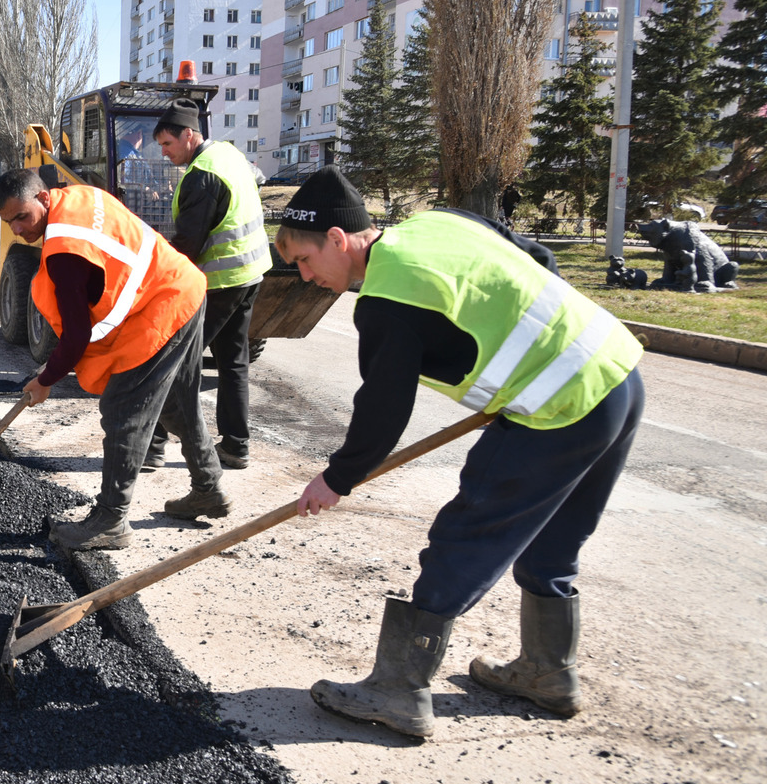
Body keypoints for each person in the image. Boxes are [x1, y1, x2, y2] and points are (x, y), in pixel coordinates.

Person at [275, 167, 645, 739]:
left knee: (467, 533)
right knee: (553, 538)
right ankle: (549, 673)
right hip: (616, 373)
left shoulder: (384, 300)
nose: (304, 277)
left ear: (338, 239)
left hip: (559, 406)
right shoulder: (439, 223)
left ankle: (399, 688)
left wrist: (338, 477)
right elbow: (536, 259)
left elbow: (383, 408)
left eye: (303, 260)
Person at [0, 167, 228, 551]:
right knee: (177, 403)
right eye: (8, 222)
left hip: (161, 306)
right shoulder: (79, 198)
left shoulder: (65, 253)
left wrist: (46, 379)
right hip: (182, 287)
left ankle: (110, 520)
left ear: (43, 197)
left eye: (22, 216)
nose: (18, 228)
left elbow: (76, 336)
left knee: (123, 411)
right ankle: (209, 488)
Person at [141, 99, 272, 486]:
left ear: (188, 135)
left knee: (173, 360)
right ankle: (235, 446)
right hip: (251, 275)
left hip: (220, 281)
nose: (164, 154)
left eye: (167, 144)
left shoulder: (201, 176)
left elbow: (188, 246)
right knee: (233, 361)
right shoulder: (229, 155)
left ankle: (153, 447)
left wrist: (159, 283)